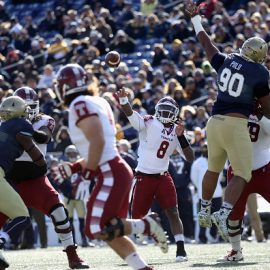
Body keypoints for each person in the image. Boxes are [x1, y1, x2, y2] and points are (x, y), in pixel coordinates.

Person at [55, 64, 168, 270]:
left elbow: (97, 142)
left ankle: (145, 224)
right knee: (109, 228)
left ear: (65, 86)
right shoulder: (97, 100)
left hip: (109, 172)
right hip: (115, 169)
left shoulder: (79, 104)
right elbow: (99, 147)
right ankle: (142, 267)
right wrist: (74, 168)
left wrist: (86, 176)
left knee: (94, 228)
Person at [186, 0, 270, 241]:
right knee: (242, 174)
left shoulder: (227, 60)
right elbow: (267, 107)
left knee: (213, 168)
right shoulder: (260, 72)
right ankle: (223, 213)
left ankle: (203, 209)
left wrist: (195, 19)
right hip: (235, 123)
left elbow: (206, 44)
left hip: (213, 122)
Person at [0, 87, 89, 269]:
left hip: (36, 180)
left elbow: (45, 138)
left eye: (31, 106)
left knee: (59, 213)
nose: (28, 111)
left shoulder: (44, 120)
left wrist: (23, 128)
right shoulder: (5, 124)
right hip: (9, 180)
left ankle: (72, 256)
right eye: (25, 107)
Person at [117, 89, 194, 262]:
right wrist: (123, 99)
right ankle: (143, 240)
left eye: (169, 111)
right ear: (157, 110)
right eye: (163, 110)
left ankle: (181, 249)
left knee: (173, 212)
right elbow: (131, 114)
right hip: (143, 177)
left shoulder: (177, 129)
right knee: (137, 218)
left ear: (175, 114)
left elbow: (190, 157)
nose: (165, 114)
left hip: (162, 176)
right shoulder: (149, 122)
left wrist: (181, 138)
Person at [0, 96, 46, 269]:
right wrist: (42, 164)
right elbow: (34, 141)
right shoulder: (22, 124)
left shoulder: (3, 126)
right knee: (22, 217)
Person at [224, 111, 270, 261]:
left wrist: (261, 115)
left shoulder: (265, 110)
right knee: (234, 214)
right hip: (238, 170)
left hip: (263, 169)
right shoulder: (234, 108)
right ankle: (236, 250)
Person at [190, 143, 223, 243]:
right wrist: (201, 187)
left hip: (217, 193)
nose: (207, 151)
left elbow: (220, 176)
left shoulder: (217, 161)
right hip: (203, 194)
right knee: (204, 217)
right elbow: (194, 178)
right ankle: (202, 237)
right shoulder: (197, 163)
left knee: (217, 216)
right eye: (205, 149)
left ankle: (216, 236)